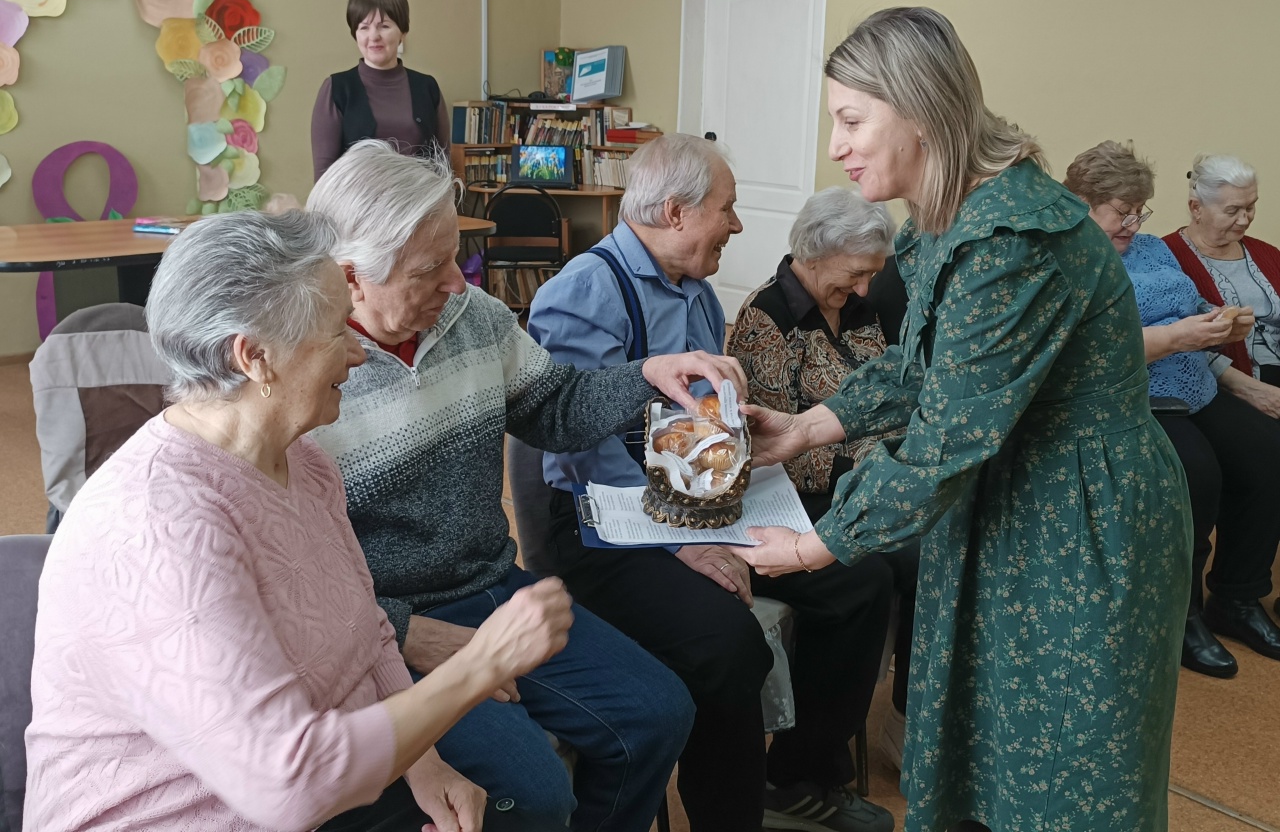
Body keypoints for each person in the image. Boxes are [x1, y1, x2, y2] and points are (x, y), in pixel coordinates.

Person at [736, 7, 1192, 832]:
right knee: (991, 751)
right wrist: (806, 427)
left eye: (851, 120)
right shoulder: (952, 216)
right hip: (1016, 502)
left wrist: (810, 547)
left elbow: (945, 440)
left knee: (1063, 771)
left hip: (1077, 519)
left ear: (919, 108)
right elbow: (921, 365)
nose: (837, 145)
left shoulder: (1012, 237)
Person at [24, 211, 573, 832]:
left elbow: (367, 633)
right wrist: (483, 665)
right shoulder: (161, 523)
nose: (359, 352)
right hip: (199, 812)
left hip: (311, 789)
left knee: (522, 804)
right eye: (337, 330)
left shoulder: (304, 463)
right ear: (255, 357)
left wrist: (425, 765)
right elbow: (289, 788)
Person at [305, 139, 747, 832]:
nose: (457, 283)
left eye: (455, 257)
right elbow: (291, 577)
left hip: (492, 587)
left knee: (659, 715)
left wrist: (647, 374)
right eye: (430, 268)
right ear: (350, 277)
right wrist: (403, 631)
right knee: (533, 794)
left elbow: (557, 407)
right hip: (387, 627)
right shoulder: (307, 374)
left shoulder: (475, 318)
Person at [527, 135, 896, 832]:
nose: (738, 225)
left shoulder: (697, 293)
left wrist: (742, 461)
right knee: (729, 644)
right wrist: (682, 545)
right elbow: (580, 447)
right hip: (606, 526)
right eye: (727, 209)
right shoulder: (583, 291)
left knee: (861, 580)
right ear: (675, 212)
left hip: (699, 502)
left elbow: (701, 423)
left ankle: (795, 775)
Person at [1063, 140, 1280, 679]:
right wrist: (1181, 336)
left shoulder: (1151, 250)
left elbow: (1188, 304)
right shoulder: (1066, 259)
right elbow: (1090, 350)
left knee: (1267, 452)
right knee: (1197, 475)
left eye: (1140, 211)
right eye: (1122, 212)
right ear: (1083, 205)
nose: (1134, 224)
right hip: (1129, 397)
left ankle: (1237, 596)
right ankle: (1180, 615)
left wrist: (1219, 319)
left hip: (1192, 386)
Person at [726, 186, 919, 774]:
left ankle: (909, 720)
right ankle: (809, 765)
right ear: (813, 253)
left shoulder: (861, 311)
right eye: (856, 273)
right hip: (799, 495)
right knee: (878, 574)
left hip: (872, 480)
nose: (864, 289)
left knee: (939, 551)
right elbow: (771, 450)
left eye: (872, 274)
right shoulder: (766, 320)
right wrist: (875, 461)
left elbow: (894, 401)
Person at [311, 0, 451, 181]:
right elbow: (324, 175)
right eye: (364, 27)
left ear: (403, 32)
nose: (374, 36)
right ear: (355, 35)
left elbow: (442, 164)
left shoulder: (427, 87)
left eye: (384, 26)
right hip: (356, 200)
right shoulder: (337, 88)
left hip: (418, 198)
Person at [1165, 154, 1280, 388]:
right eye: (1232, 210)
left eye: (1250, 207)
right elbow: (1176, 347)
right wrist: (1255, 391)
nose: (1244, 220)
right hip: (1228, 388)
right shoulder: (1165, 257)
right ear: (1196, 208)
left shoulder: (1268, 254)